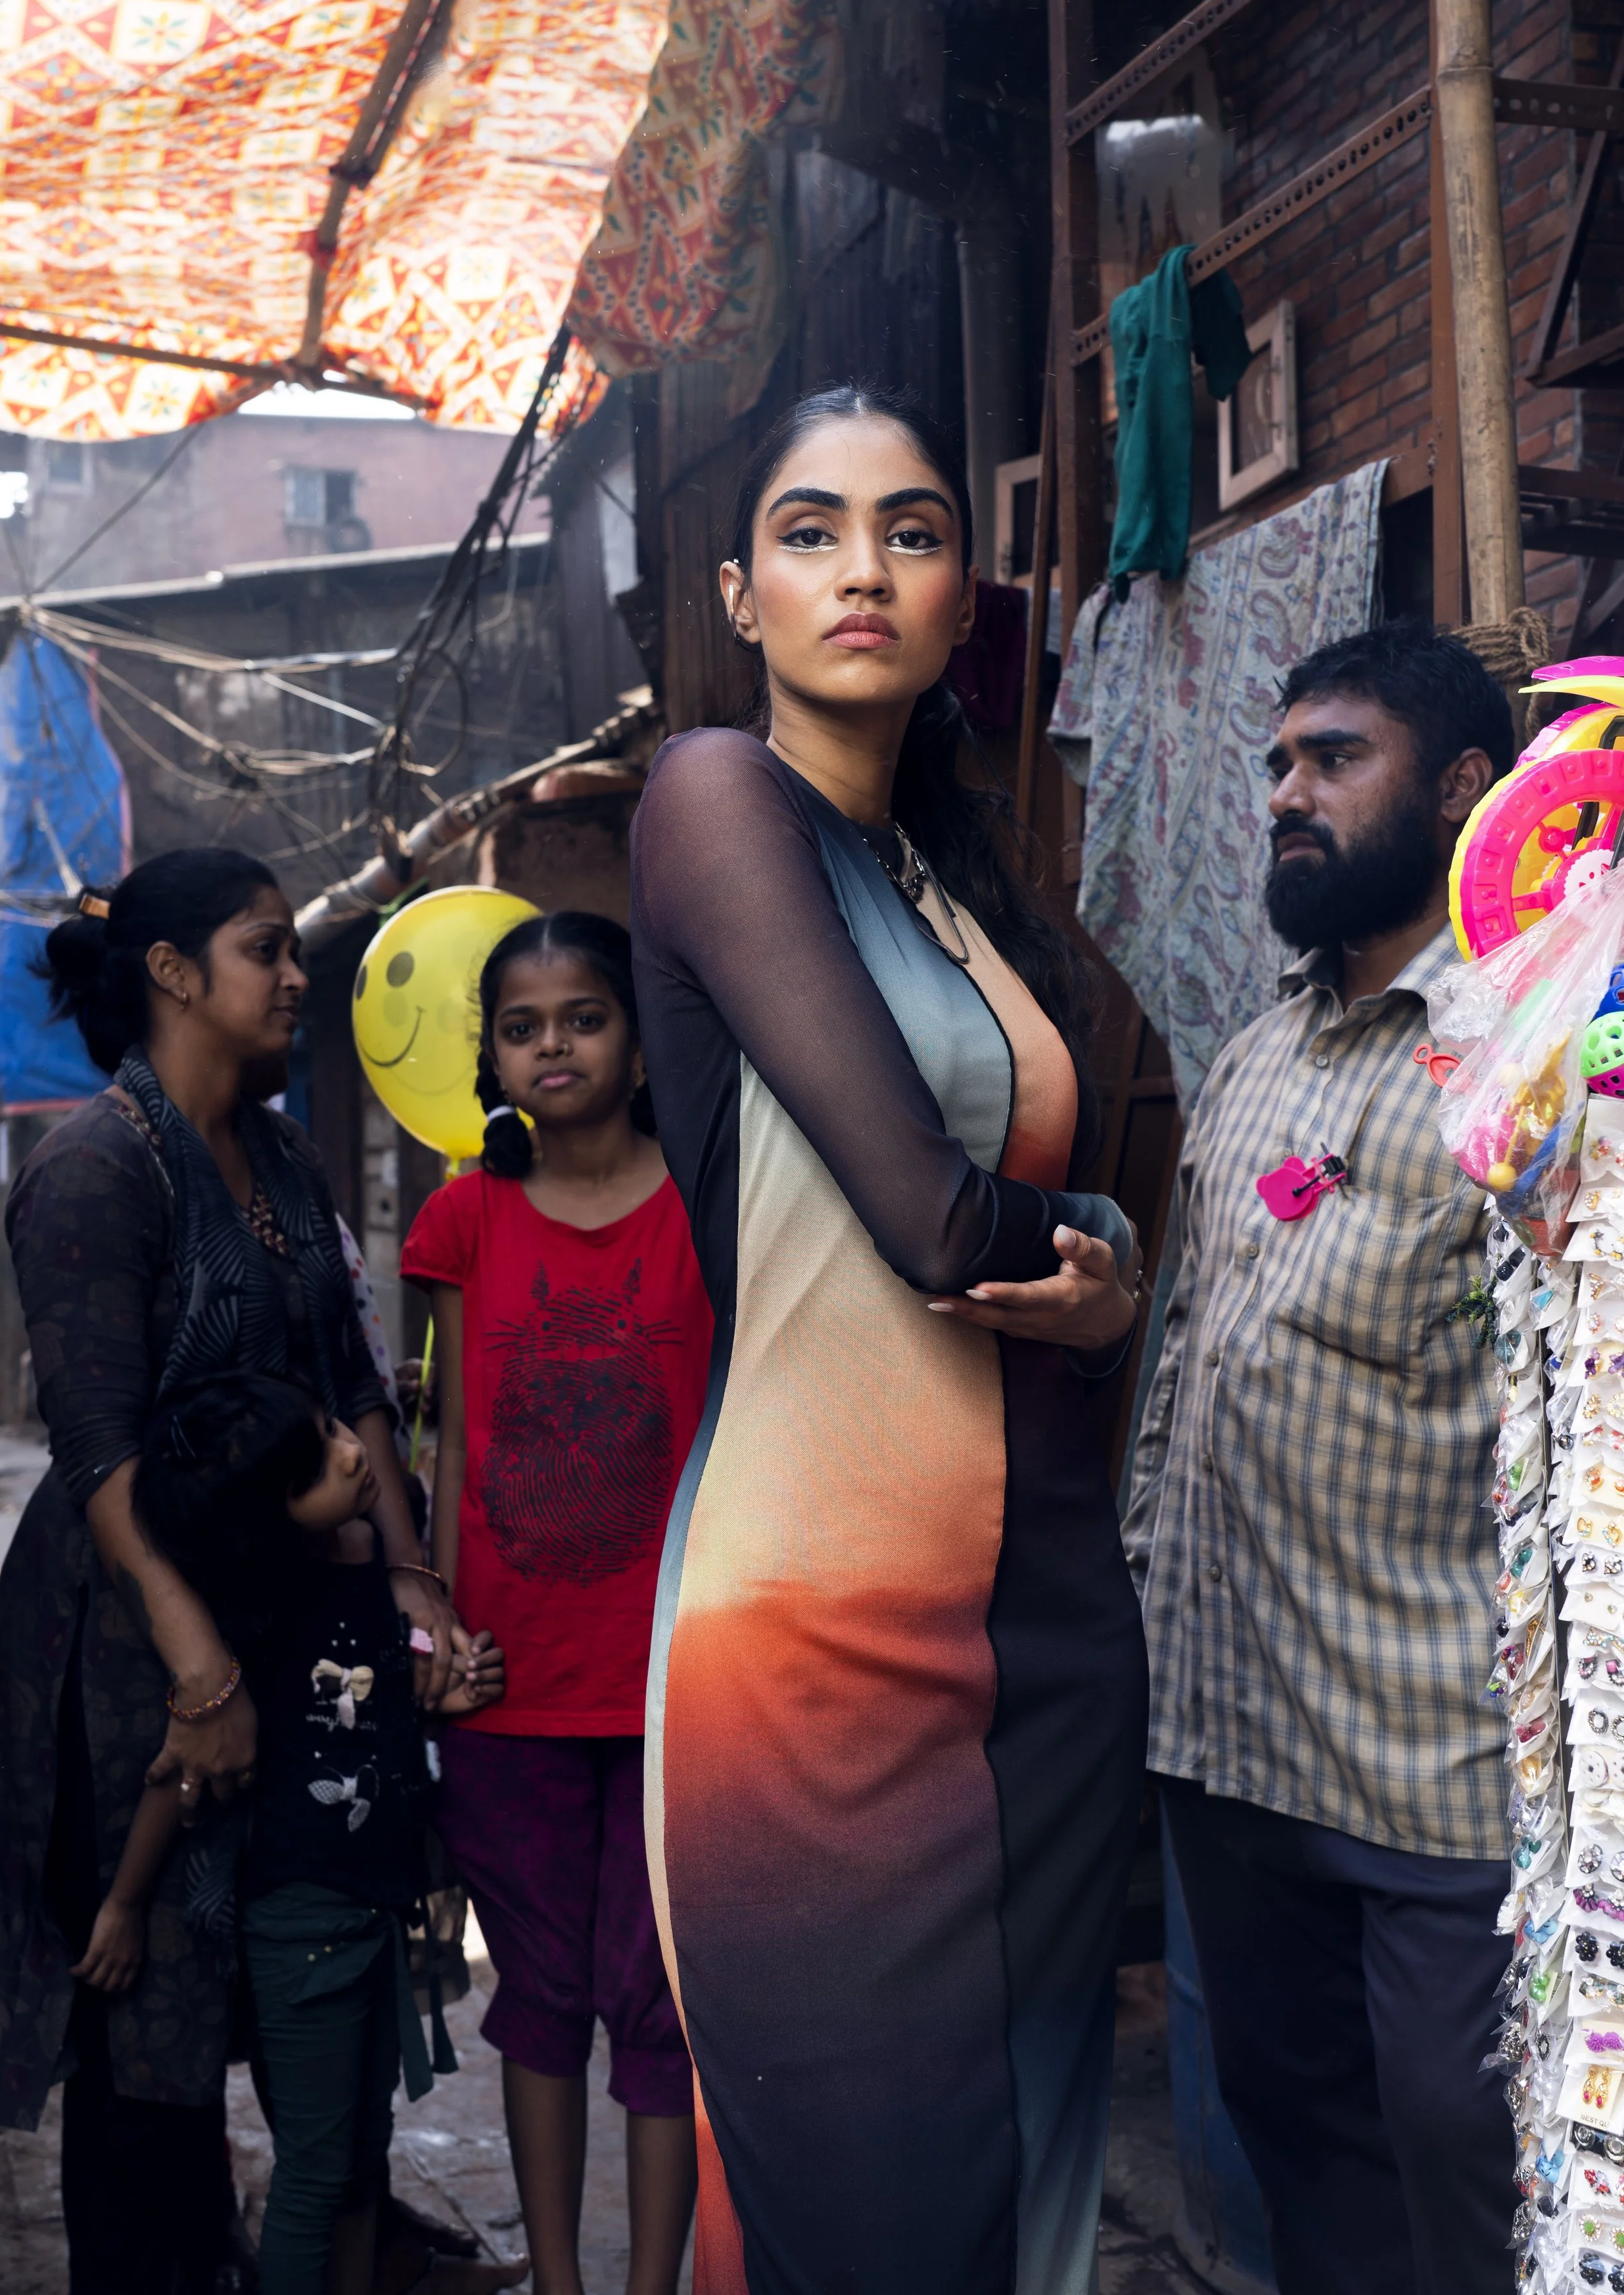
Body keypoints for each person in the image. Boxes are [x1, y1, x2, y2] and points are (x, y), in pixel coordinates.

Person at [626, 383, 1148, 2292]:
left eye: (912, 533)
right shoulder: (712, 799)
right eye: (812, 530)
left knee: (1020, 2213)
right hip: (813, 1657)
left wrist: (1099, 1283)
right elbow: (930, 1217)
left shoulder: (952, 882)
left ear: (959, 597)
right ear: (739, 594)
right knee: (866, 2230)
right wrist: (1106, 1248)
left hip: (1040, 1643)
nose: (864, 568)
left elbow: (1037, 1257)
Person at [0, 849, 458, 2295]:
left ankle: (311, 2234)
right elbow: (99, 1453)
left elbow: (353, 1377)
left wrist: (412, 1579)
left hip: (290, 1612)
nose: (300, 976)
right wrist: (198, 1671)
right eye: (269, 949)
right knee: (149, 2021)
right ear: (174, 974)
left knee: (309, 1949)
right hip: (126, 1641)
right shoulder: (92, 1171)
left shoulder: (287, 1156)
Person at [1121, 618, 1517, 2294]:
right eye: (1276, 763)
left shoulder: (1531, 1056)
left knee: (1469, 2157)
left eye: (1333, 760)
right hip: (1229, 1741)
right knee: (1299, 2145)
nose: (1286, 793)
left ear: (1460, 786)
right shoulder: (1251, 1056)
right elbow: (1185, 1361)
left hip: (1439, 1758)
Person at [400, 912, 712, 2295]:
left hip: (672, 1676)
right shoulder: (463, 1217)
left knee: (658, 1998)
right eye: (521, 1028)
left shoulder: (704, 1207)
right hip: (506, 1682)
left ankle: (650, 2284)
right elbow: (450, 1444)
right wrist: (440, 1632)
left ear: (637, 1040)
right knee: (536, 1992)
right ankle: (562, 2282)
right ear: (492, 1058)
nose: (554, 1047)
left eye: (583, 1017)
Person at [106, 1372, 519, 2295]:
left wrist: (455, 1689)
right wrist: (126, 1904)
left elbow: (387, 1696)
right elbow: (179, 1774)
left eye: (332, 1427)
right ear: (268, 1521)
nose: (350, 1452)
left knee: (363, 2160)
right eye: (316, 1467)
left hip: (378, 1911)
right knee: (316, 2175)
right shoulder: (254, 1616)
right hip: (302, 1931)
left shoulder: (370, 1557)